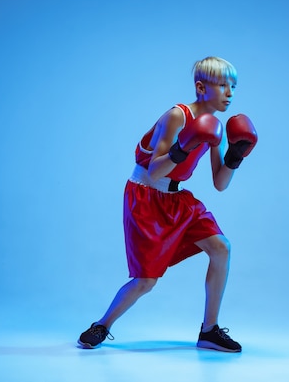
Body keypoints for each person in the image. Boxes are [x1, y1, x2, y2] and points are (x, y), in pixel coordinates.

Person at [77, 56, 257, 353]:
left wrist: (236, 155)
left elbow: (220, 183)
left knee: (221, 248)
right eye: (223, 85)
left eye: (233, 86)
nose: (230, 93)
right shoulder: (177, 116)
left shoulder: (216, 128)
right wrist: (184, 145)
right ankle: (102, 325)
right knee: (146, 281)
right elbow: (153, 171)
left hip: (176, 199)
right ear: (201, 87)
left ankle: (209, 330)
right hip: (145, 197)